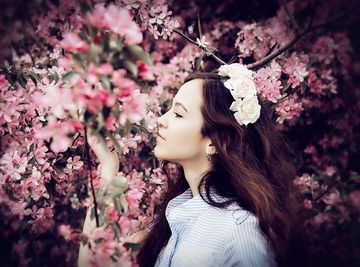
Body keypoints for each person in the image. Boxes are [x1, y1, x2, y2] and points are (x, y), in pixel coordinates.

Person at [78, 66, 302, 267]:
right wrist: (108, 167)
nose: (161, 120)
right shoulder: (174, 218)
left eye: (178, 113)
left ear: (216, 142)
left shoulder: (240, 233)